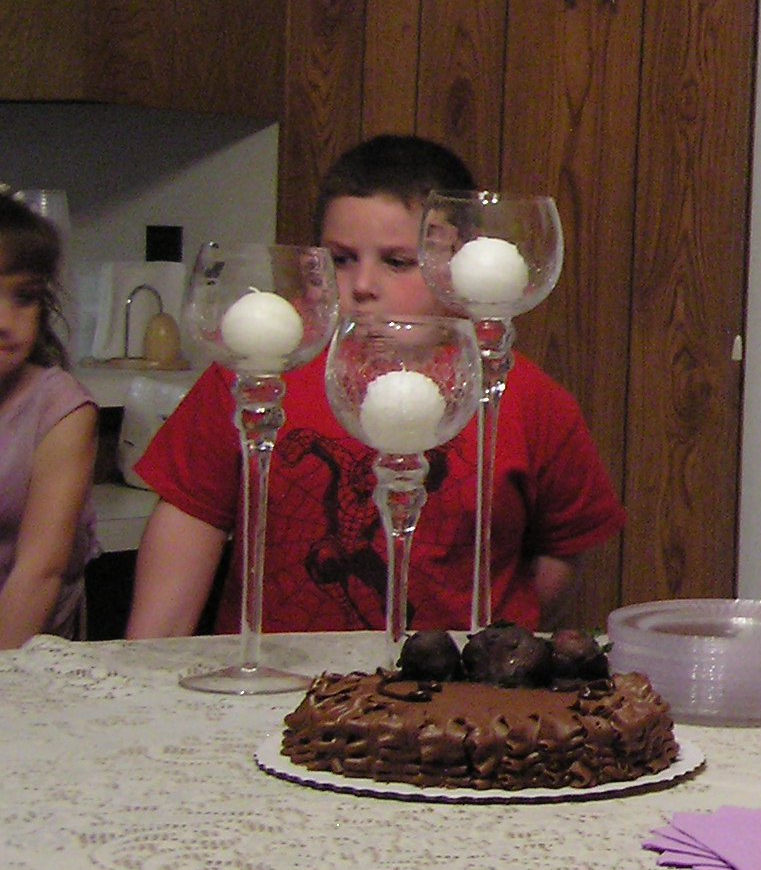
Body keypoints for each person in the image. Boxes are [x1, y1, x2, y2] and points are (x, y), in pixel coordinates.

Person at [127, 136, 624, 637]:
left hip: (450, 676)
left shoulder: (524, 397)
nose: (363, 284)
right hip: (283, 670)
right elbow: (188, 526)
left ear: (458, 260)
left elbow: (560, 553)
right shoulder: (258, 370)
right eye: (341, 258)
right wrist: (142, 667)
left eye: (398, 261)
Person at [0, 194, 99, 648]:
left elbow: (38, 573)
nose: (5, 320)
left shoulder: (59, 409)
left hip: (21, 654)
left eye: (24, 297)